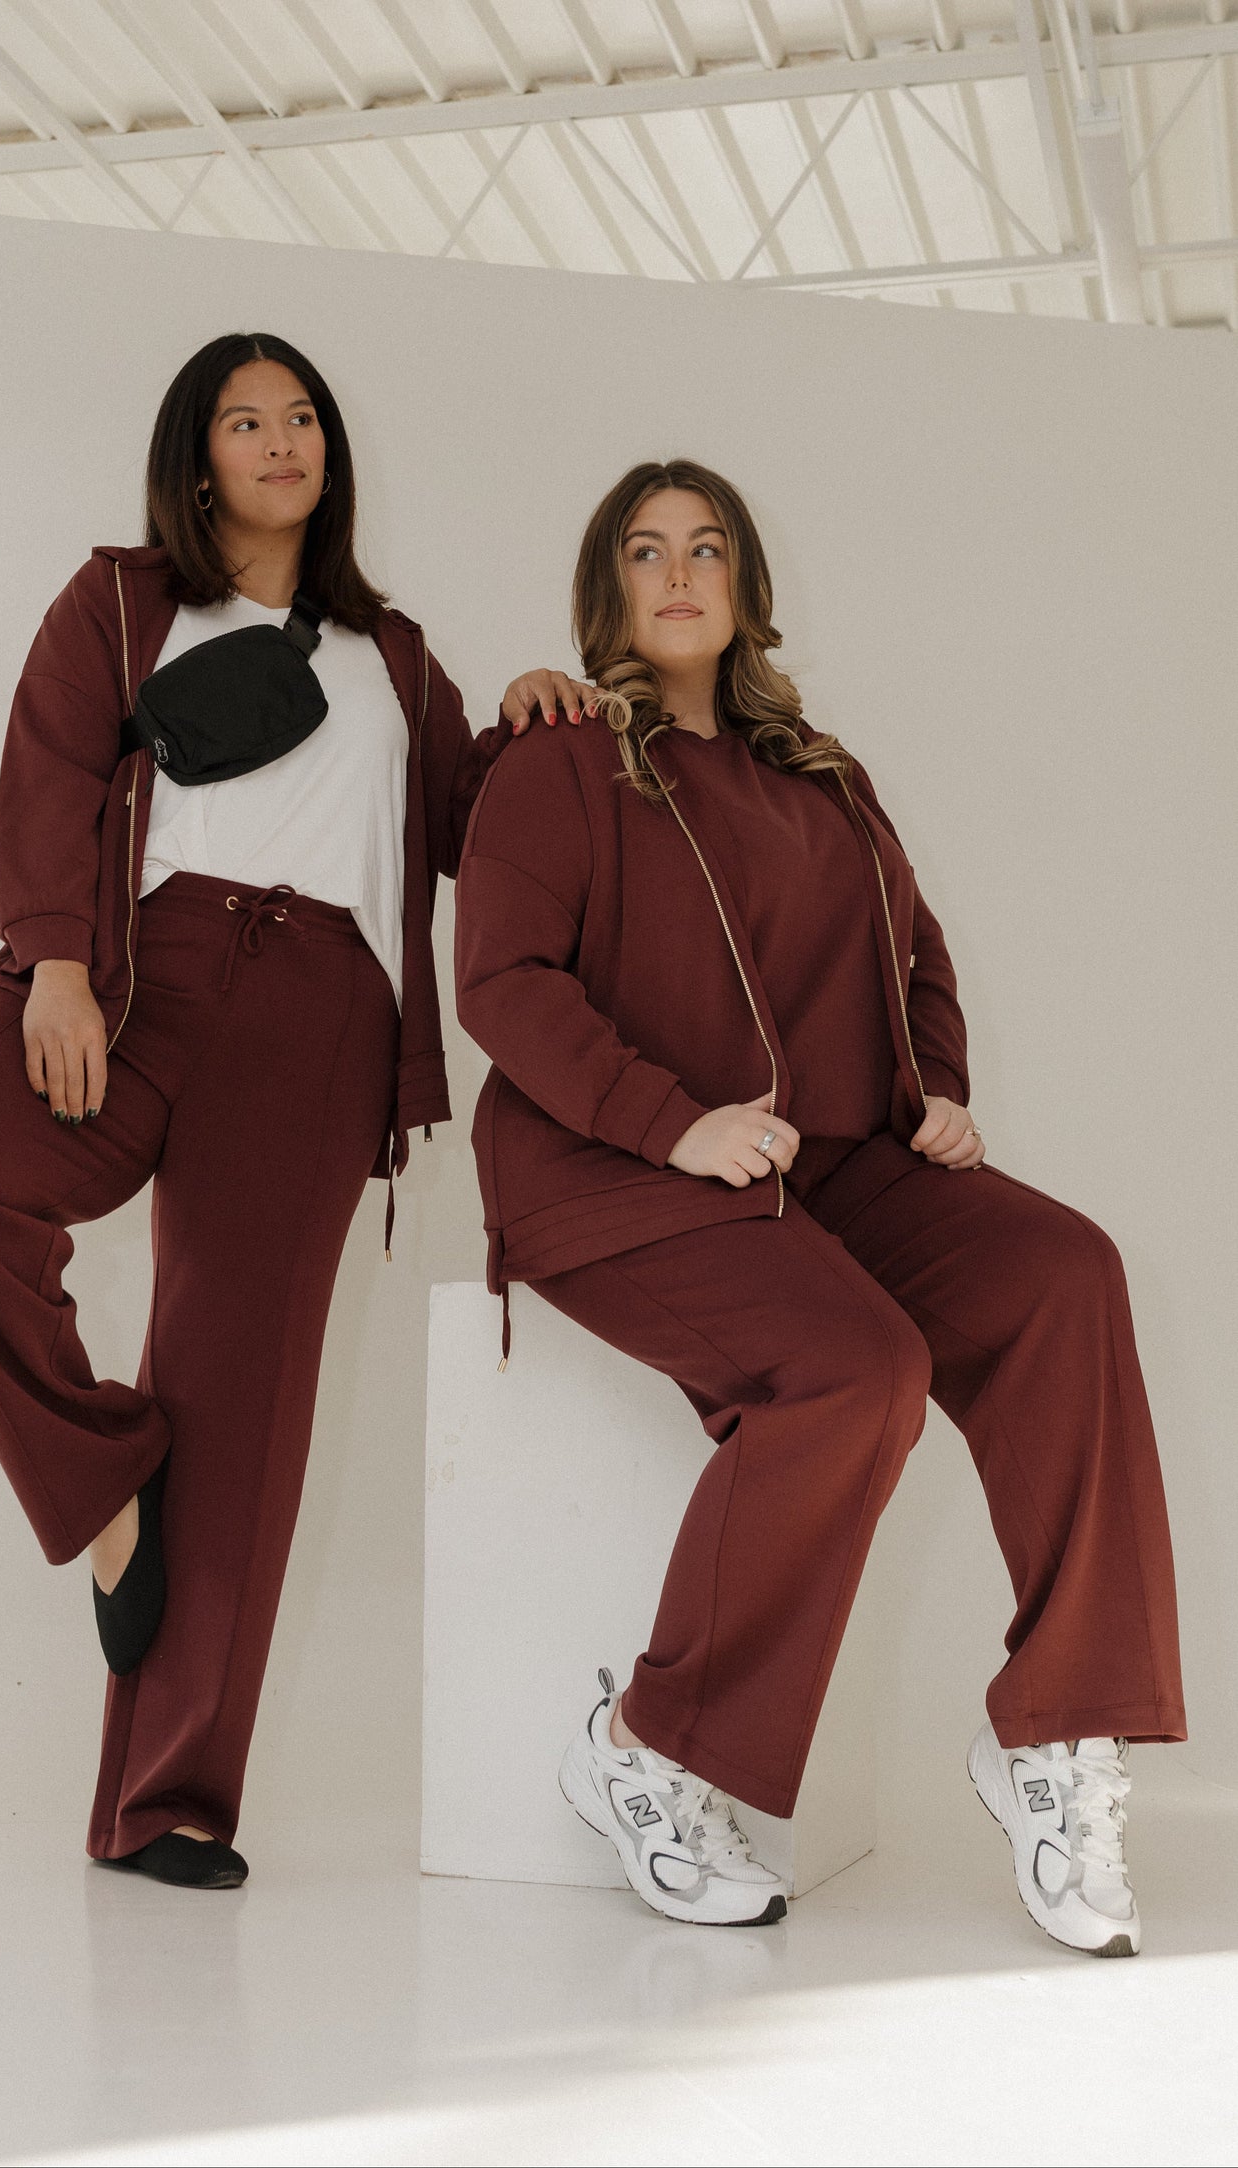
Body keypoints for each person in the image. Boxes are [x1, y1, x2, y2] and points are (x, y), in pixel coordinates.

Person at [0, 331, 591, 1890]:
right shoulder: (121, 598)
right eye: (245, 419)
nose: (280, 440)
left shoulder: (390, 652)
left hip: (321, 1016)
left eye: (302, 416)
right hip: (139, 971)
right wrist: (53, 965)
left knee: (243, 1408)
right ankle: (101, 1474)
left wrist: (527, 716)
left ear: (329, 453)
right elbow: (53, 770)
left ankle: (170, 1804)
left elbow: (477, 825)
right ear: (198, 459)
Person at [454, 458, 1185, 1955]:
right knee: (858, 1373)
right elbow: (501, 985)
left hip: (829, 1164)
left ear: (742, 590)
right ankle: (647, 1748)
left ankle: (1054, 1732)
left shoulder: (820, 779)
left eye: (706, 549)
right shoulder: (560, 758)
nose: (678, 573)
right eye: (645, 552)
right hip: (605, 1171)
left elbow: (914, 953)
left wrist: (930, 1087)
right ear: (607, 591)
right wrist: (673, 1124)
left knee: (1063, 1272)